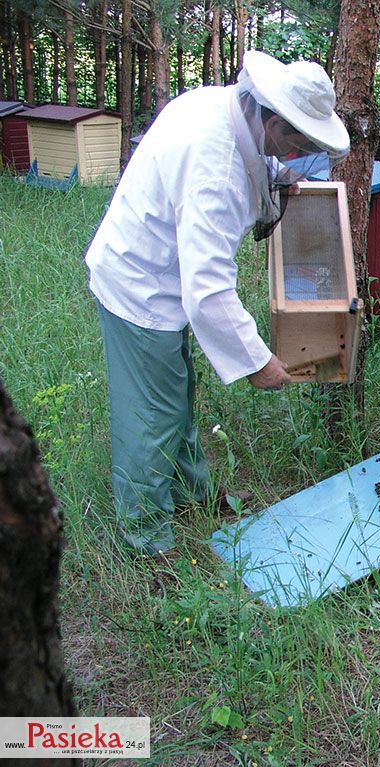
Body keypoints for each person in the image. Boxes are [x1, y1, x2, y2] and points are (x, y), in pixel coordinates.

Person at [84, 51, 350, 555]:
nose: (300, 154)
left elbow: (256, 162)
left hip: (158, 268)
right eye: (298, 142)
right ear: (273, 121)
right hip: (142, 286)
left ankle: (192, 494)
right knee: (153, 416)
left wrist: (280, 177)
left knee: (177, 392)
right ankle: (146, 539)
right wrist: (259, 361)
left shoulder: (219, 105)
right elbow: (206, 291)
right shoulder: (217, 170)